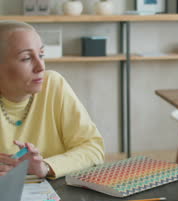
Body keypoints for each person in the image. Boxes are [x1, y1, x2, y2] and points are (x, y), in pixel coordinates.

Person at [0, 21, 104, 179]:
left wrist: (45, 167)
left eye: (41, 55)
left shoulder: (53, 85)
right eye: (27, 58)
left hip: (59, 197)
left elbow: (93, 148)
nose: (40, 66)